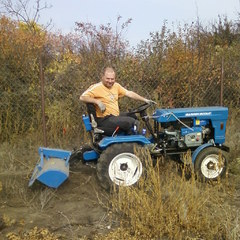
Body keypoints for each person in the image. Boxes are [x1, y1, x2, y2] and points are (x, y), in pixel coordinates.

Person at [80, 67, 155, 135]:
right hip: (104, 119)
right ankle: (132, 145)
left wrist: (145, 100)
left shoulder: (116, 86)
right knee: (130, 122)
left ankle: (133, 139)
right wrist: (97, 102)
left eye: (112, 79)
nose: (110, 81)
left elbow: (129, 93)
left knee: (133, 116)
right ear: (102, 77)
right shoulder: (97, 87)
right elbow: (82, 97)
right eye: (107, 78)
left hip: (114, 116)